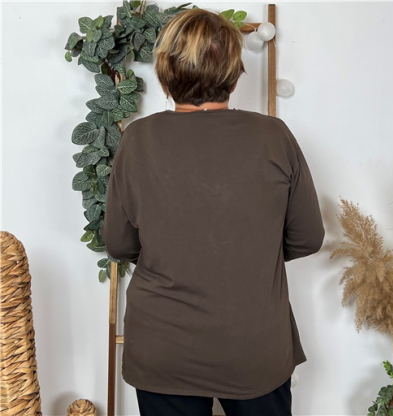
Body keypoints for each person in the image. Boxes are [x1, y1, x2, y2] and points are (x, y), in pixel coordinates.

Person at [100, 7, 325, 416]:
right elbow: (307, 238)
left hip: (162, 348)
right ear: (235, 78)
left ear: (164, 77)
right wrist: (250, 253)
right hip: (254, 346)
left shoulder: (136, 139)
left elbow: (118, 243)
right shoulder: (273, 136)